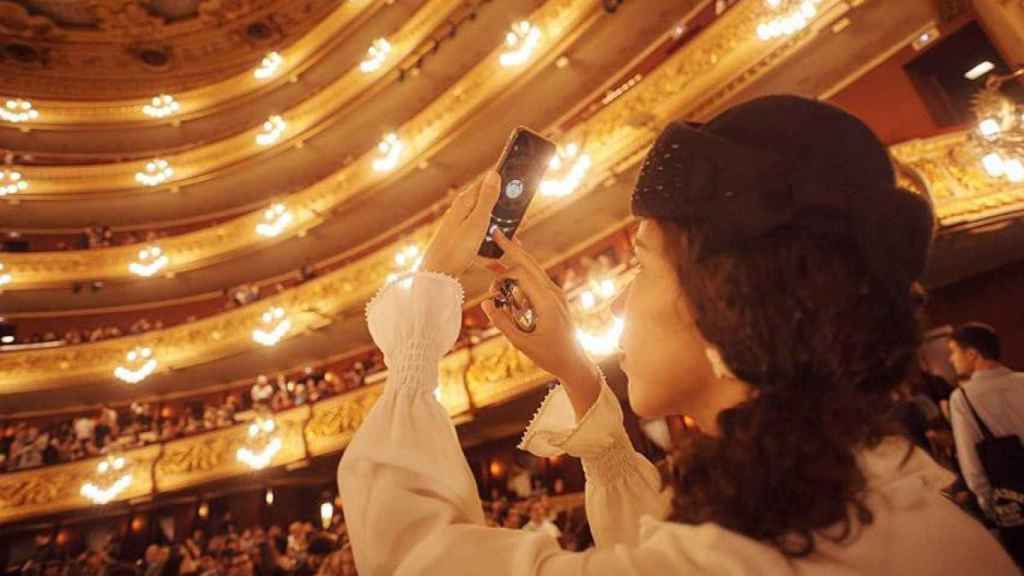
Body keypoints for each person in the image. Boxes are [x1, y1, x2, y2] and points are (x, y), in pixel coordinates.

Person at [337, 97, 1018, 574]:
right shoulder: (871, 499)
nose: (625, 295)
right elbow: (647, 537)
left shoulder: (757, 556)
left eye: (642, 263)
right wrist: (576, 373)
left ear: (722, 306)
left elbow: (412, 557)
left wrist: (424, 311)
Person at [948, 322, 1024, 566]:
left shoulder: (962, 398)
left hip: (1014, 504)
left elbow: (972, 466)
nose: (951, 359)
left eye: (953, 351)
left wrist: (990, 507)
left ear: (972, 354)